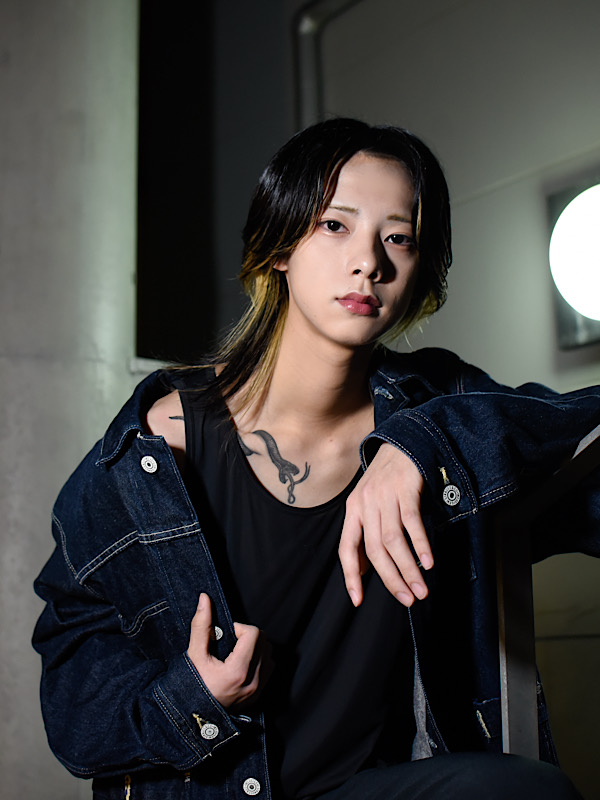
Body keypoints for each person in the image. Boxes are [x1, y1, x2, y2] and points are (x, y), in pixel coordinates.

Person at [33, 118, 600, 800]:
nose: (369, 262)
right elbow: (73, 704)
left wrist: (423, 444)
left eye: (398, 237)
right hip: (215, 791)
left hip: (368, 789)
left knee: (525, 791)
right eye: (335, 225)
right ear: (280, 245)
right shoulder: (157, 449)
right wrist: (193, 699)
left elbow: (581, 445)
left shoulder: (437, 401)